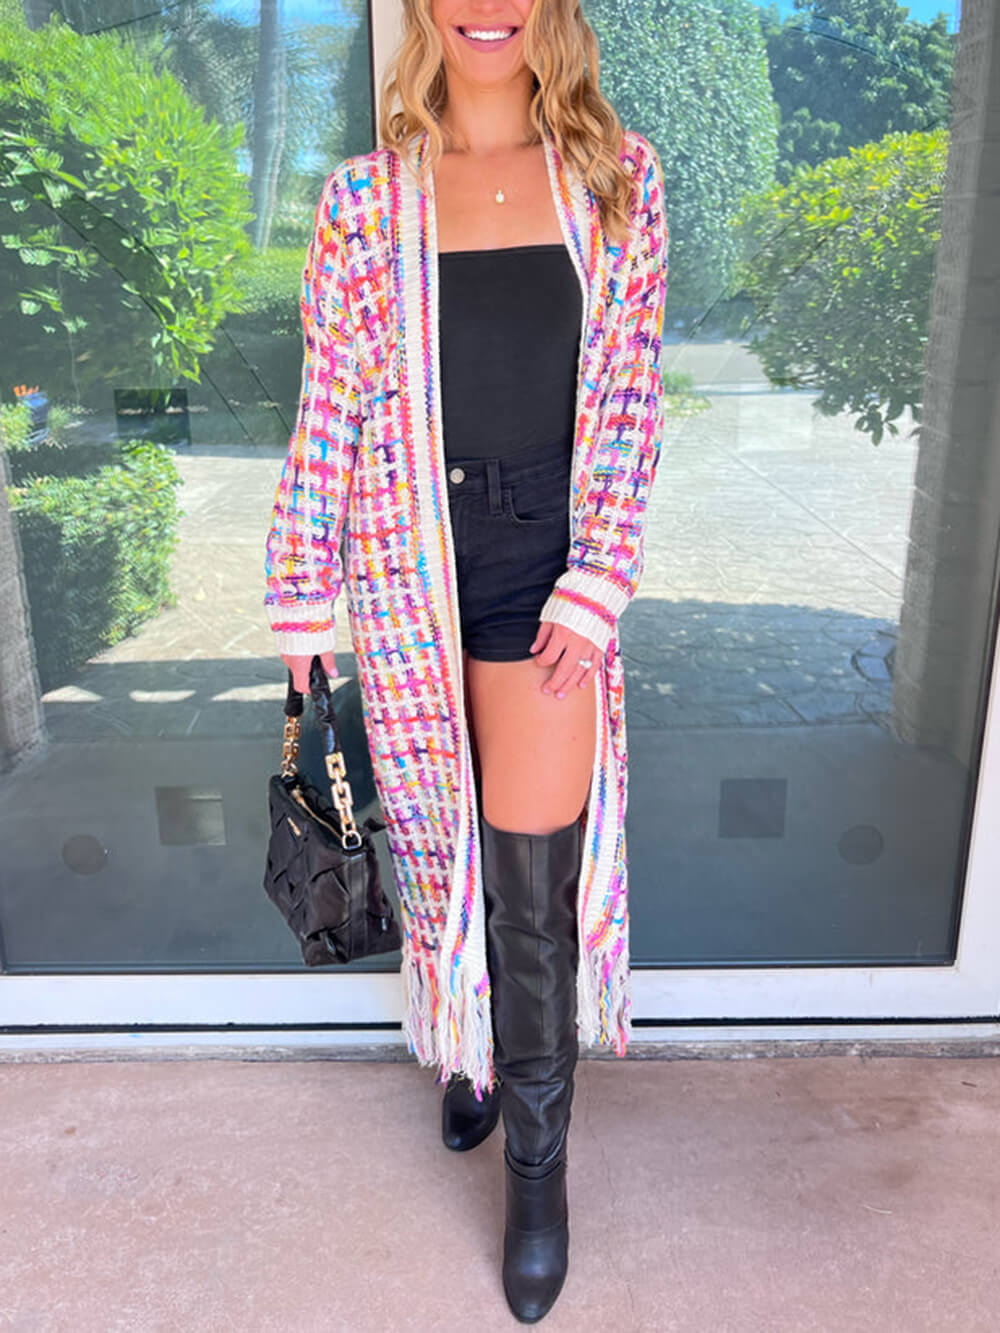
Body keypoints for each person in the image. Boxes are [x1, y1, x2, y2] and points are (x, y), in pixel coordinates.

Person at [264, 0, 668, 1320]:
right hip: (408, 561)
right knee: (445, 849)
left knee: (533, 884)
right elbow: (331, 400)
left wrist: (600, 578)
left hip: (549, 570)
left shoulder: (616, 177)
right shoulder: (363, 201)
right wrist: (302, 591)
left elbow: (630, 395)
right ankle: (472, 1055)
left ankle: (538, 1180)